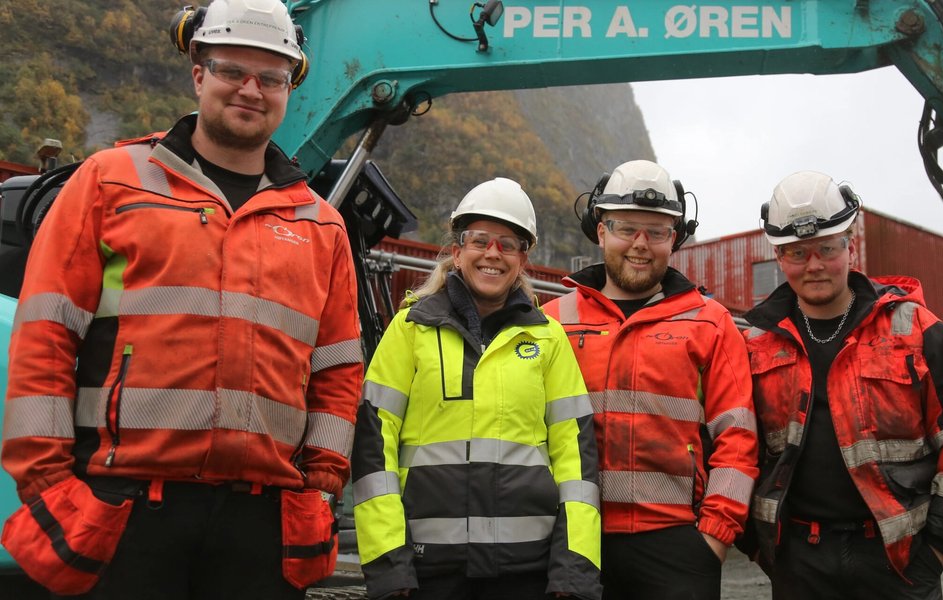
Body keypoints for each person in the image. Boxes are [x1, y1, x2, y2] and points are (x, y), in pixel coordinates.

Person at [0, 1, 362, 598]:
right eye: (231, 71)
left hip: (260, 527)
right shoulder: (110, 181)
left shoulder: (319, 225)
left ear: (289, 89)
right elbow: (45, 337)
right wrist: (49, 488)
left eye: (270, 77)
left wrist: (318, 491)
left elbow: (337, 373)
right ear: (199, 73)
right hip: (124, 512)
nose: (251, 89)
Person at [736, 171, 943, 599]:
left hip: (899, 561)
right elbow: (734, 448)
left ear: (850, 247)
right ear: (780, 259)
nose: (814, 264)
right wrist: (759, 545)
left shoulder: (915, 330)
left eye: (826, 248)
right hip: (797, 564)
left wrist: (935, 549)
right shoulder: (755, 344)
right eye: (798, 253)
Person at [352, 177, 602, 600]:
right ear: (457, 251)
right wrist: (389, 566)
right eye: (480, 240)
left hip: (527, 572)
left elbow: (576, 464)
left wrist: (573, 572)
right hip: (427, 572)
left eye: (508, 244)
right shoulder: (410, 330)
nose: (493, 254)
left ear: (523, 259)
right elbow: (375, 451)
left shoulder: (549, 340)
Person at [543, 160, 758, 600]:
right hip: (570, 543)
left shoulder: (710, 322)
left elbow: (738, 439)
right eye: (626, 228)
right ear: (600, 231)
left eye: (657, 232)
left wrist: (713, 539)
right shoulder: (551, 323)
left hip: (678, 547)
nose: (640, 244)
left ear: (674, 239)